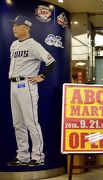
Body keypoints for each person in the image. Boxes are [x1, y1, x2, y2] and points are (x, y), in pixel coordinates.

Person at [7, 15, 56, 166]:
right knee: (18, 123)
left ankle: (37, 156)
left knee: (31, 123)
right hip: (13, 85)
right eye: (13, 25)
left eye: (17, 25)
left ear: (26, 28)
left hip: (26, 85)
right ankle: (22, 156)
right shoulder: (14, 44)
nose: (14, 28)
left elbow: (50, 61)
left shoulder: (34, 45)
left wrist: (42, 76)